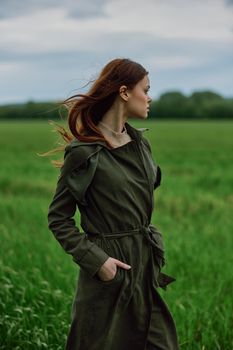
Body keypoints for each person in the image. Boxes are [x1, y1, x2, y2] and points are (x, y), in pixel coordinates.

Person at [47, 58, 179, 350]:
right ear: (123, 92)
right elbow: (59, 219)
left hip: (143, 266)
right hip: (109, 270)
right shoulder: (84, 152)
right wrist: (98, 262)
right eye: (145, 89)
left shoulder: (141, 143)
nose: (150, 97)